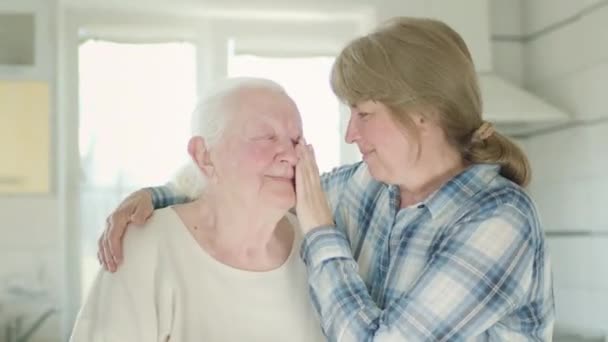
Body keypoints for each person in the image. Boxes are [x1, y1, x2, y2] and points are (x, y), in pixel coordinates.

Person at [98, 17, 555, 340]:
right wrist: (155, 197)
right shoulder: (372, 187)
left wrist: (320, 232)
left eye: (365, 113)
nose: (350, 133)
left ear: (423, 113)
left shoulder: (499, 220)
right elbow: (249, 185)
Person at [71, 78, 325, 341]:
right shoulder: (147, 245)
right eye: (266, 137)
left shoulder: (319, 252)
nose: (292, 155)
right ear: (204, 155)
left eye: (297, 140)